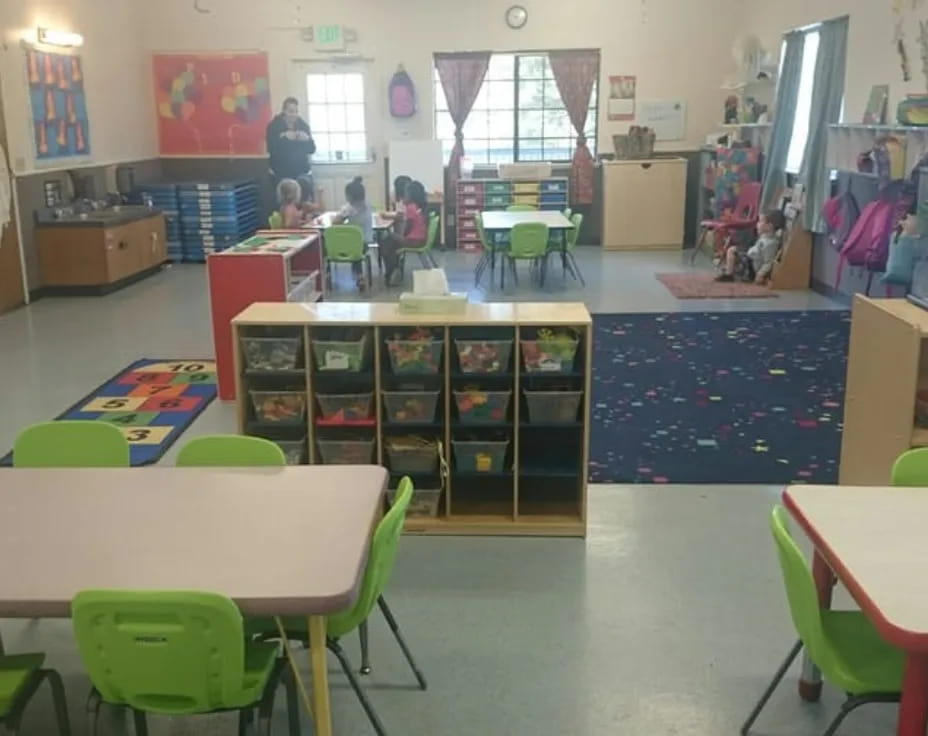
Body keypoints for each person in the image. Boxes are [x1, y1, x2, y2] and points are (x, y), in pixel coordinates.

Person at [716, 208, 786, 284]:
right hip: (750, 260)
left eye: (760, 221)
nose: (757, 224)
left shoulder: (770, 244)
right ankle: (730, 272)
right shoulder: (764, 237)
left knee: (732, 251)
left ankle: (731, 273)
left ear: (769, 226)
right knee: (732, 250)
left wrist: (760, 275)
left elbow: (768, 262)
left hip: (752, 268)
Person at [381, 179, 428, 286]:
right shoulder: (418, 207)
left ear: (412, 196)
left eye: (406, 195)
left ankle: (391, 269)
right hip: (420, 240)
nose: (404, 197)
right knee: (391, 242)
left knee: (387, 241)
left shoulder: (410, 208)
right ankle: (394, 266)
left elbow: (408, 226)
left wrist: (402, 236)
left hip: (414, 241)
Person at [266, 98, 316, 188]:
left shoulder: (303, 126)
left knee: (303, 200)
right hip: (281, 173)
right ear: (284, 111)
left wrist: (307, 139)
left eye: (296, 111)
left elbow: (312, 149)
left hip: (301, 173)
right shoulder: (273, 127)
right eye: (291, 111)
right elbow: (271, 149)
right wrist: (284, 138)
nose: (294, 115)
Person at [336, 176, 374, 289]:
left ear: (349, 196)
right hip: (365, 244)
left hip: (350, 246)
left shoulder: (348, 208)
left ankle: (327, 273)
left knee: (350, 245)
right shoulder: (368, 205)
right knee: (357, 249)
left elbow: (335, 222)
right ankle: (360, 276)